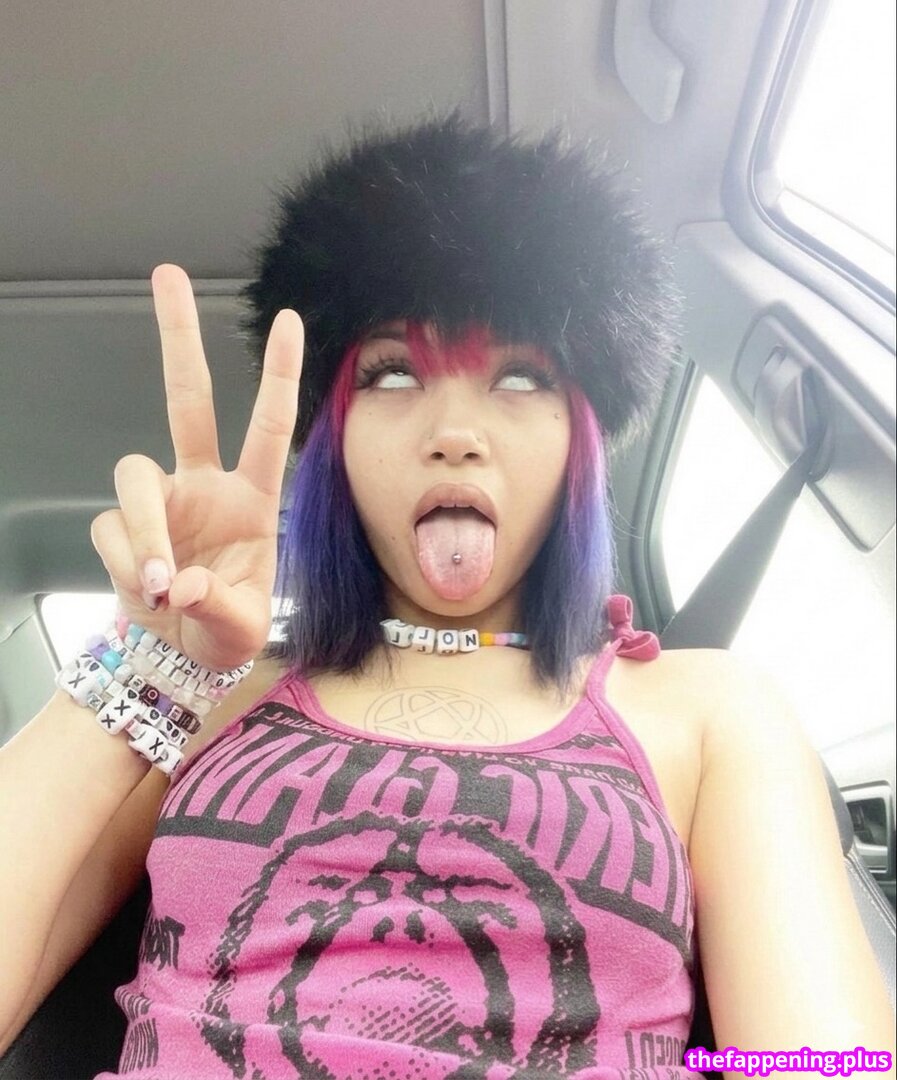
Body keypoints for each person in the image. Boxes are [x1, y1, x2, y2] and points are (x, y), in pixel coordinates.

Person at [0, 114, 892, 1080]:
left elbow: (822, 1063)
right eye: (392, 373)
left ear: (581, 440)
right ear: (332, 440)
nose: (455, 432)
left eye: (521, 375)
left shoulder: (707, 711)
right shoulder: (201, 697)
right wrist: (150, 658)